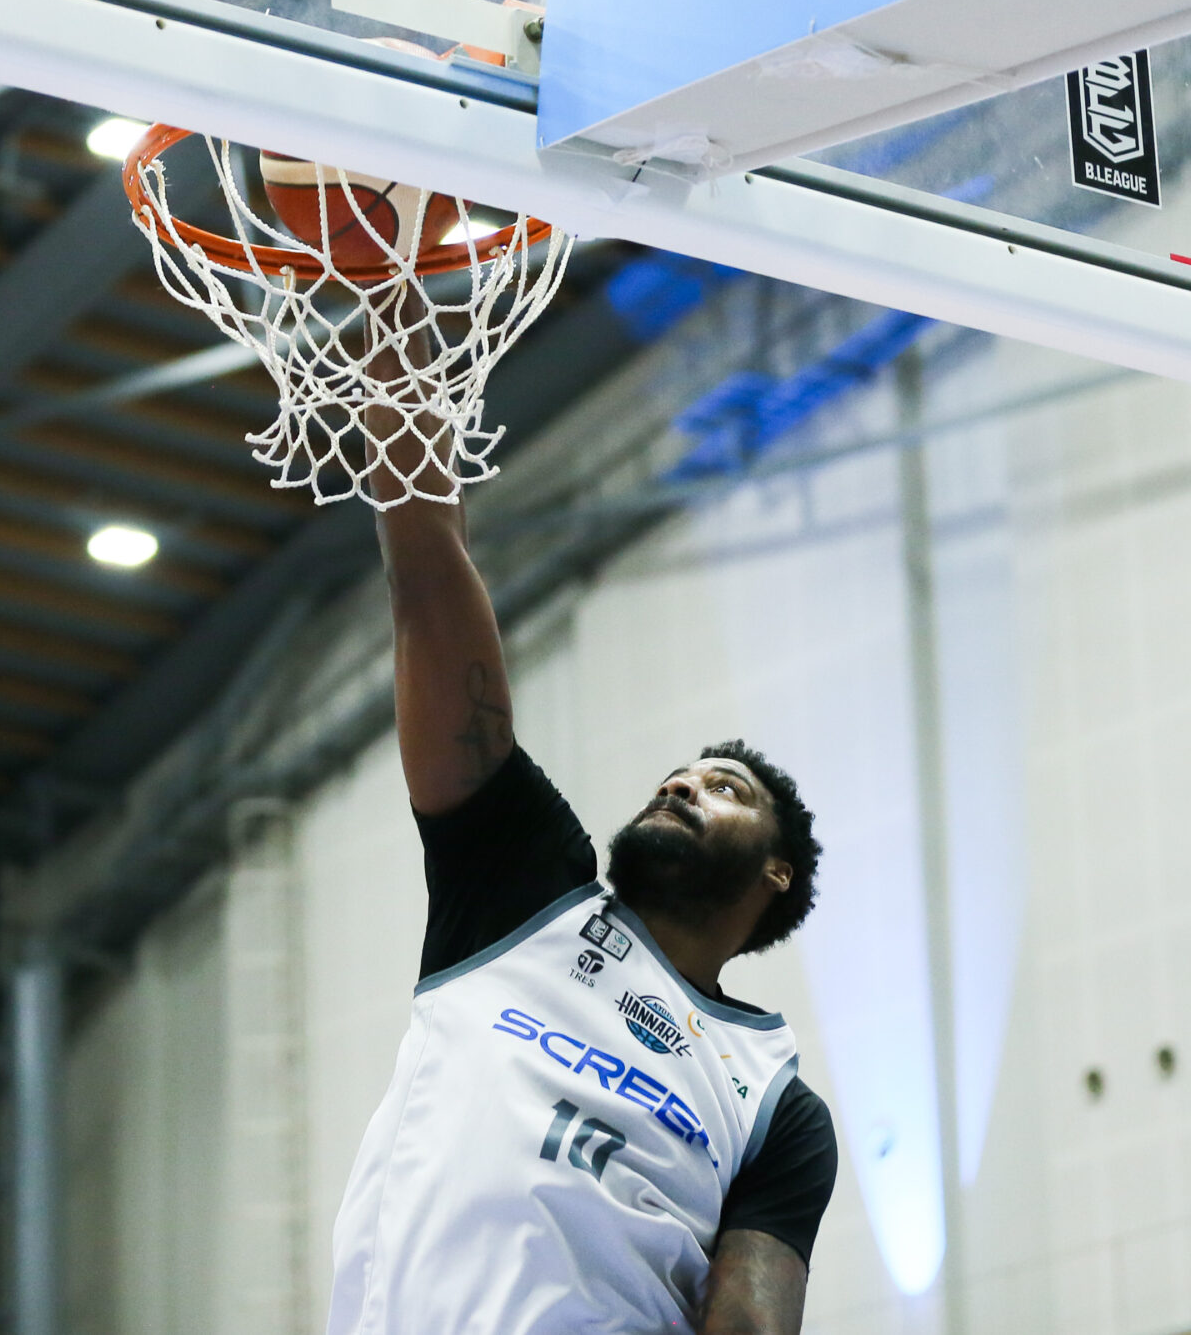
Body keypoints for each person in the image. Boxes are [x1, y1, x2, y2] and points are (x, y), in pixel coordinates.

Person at [323, 475, 839, 1335]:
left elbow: (750, 1322)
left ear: (776, 872)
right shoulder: (525, 888)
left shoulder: (775, 1107)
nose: (681, 783)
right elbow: (427, 586)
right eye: (676, 776)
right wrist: (411, 443)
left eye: (725, 788)